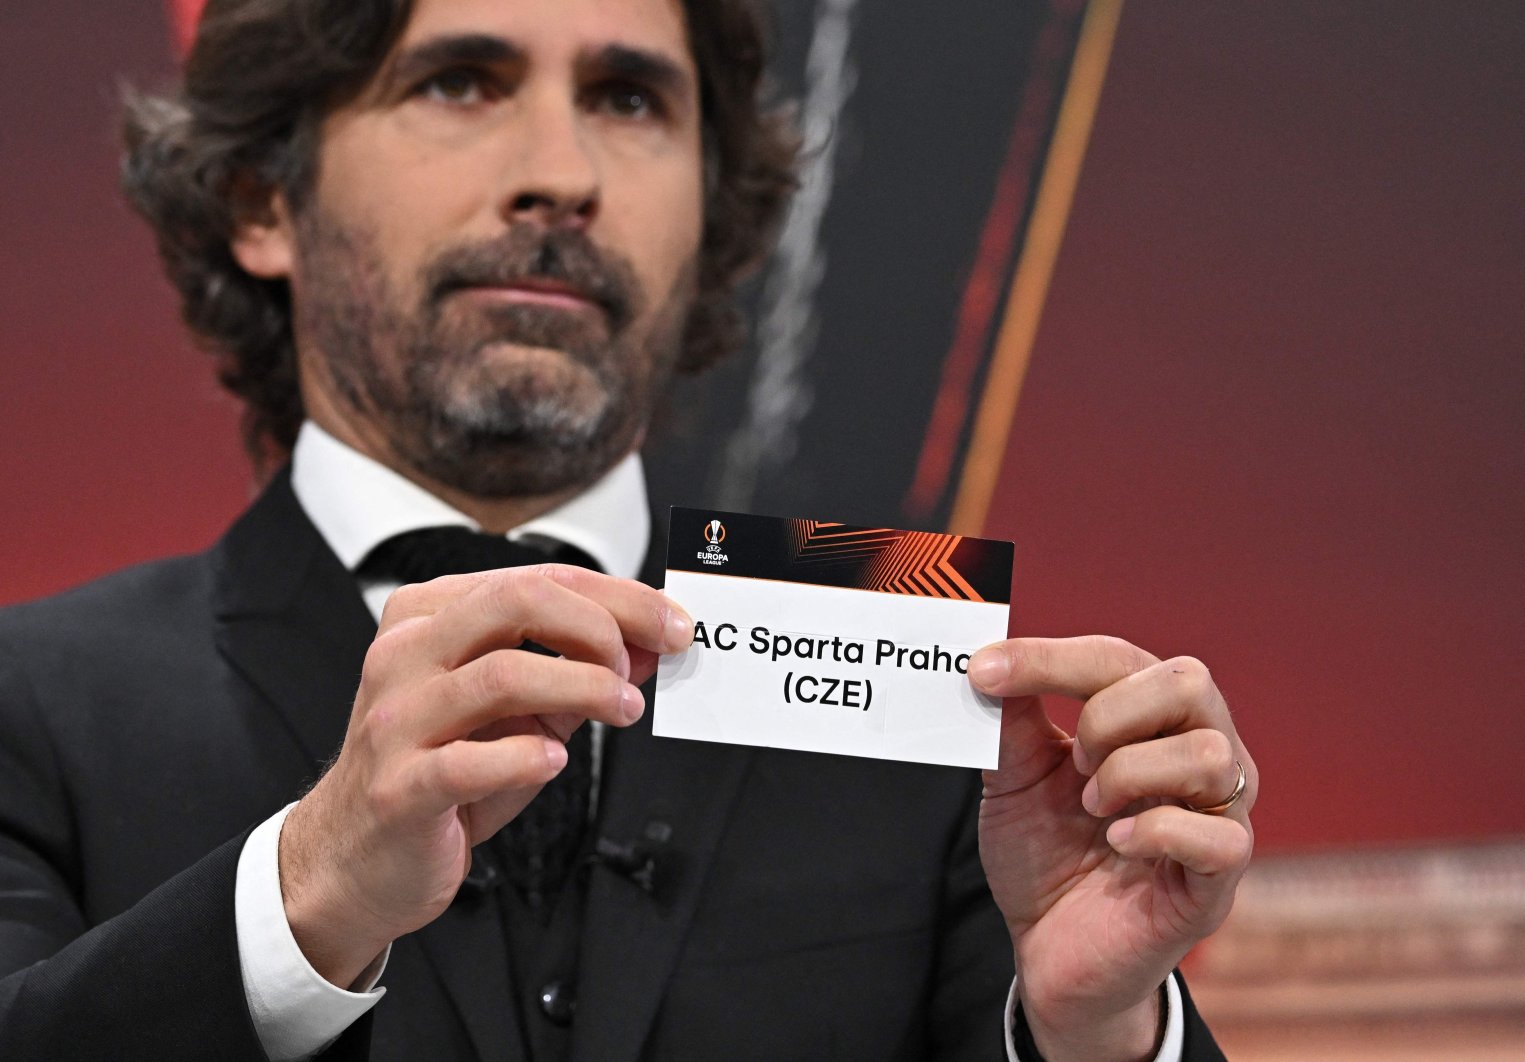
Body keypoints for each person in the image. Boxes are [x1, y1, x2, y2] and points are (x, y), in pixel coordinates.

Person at [0, 0, 1256, 1058]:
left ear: (713, 221)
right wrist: (303, 900)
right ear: (260, 199)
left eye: (630, 100)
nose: (564, 172)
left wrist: (1098, 1031)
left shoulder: (911, 671)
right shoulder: (33, 702)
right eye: (458, 83)